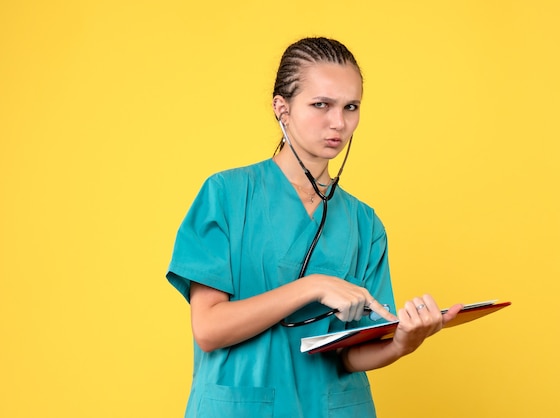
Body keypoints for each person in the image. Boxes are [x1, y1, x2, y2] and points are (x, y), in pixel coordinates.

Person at [166, 37, 463, 418]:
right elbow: (208, 329)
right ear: (281, 108)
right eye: (321, 104)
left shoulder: (364, 223)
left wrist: (402, 342)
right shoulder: (226, 195)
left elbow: (349, 355)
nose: (338, 122)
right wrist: (313, 285)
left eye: (350, 107)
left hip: (335, 408)